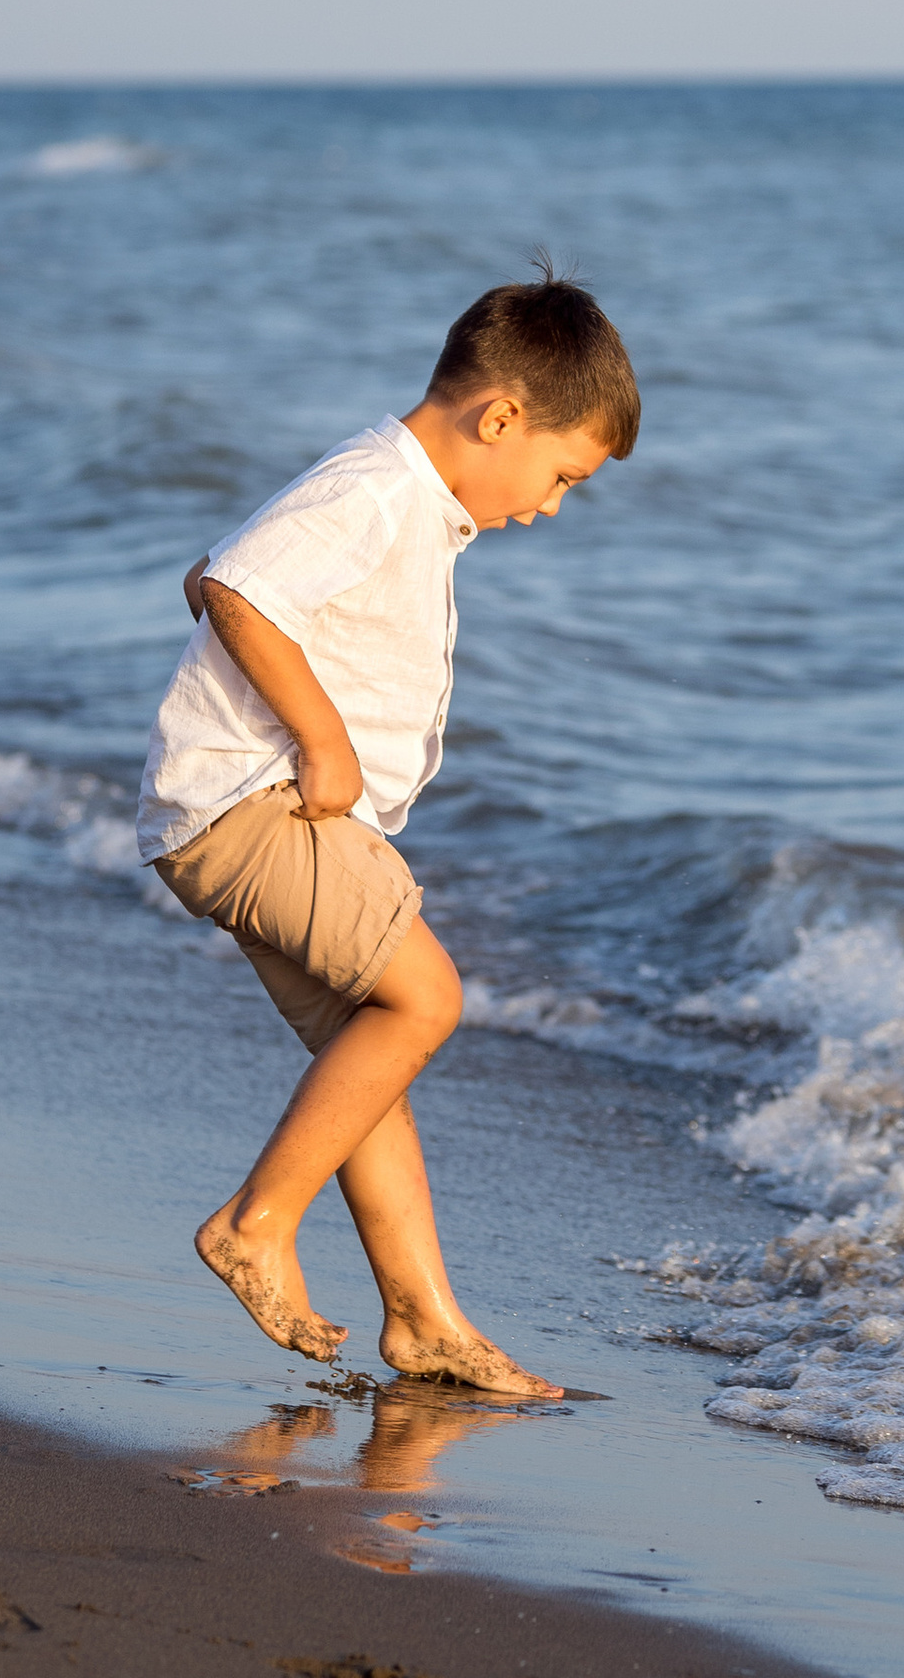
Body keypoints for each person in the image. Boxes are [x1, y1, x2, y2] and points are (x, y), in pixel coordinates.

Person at [137, 273, 639, 1395]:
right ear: (500, 415)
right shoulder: (378, 489)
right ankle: (255, 1224)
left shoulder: (397, 498)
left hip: (244, 813)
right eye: (563, 475)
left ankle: (423, 1322)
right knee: (428, 1000)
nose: (554, 505)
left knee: (368, 1059)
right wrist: (321, 740)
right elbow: (233, 587)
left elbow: (209, 571)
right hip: (263, 806)